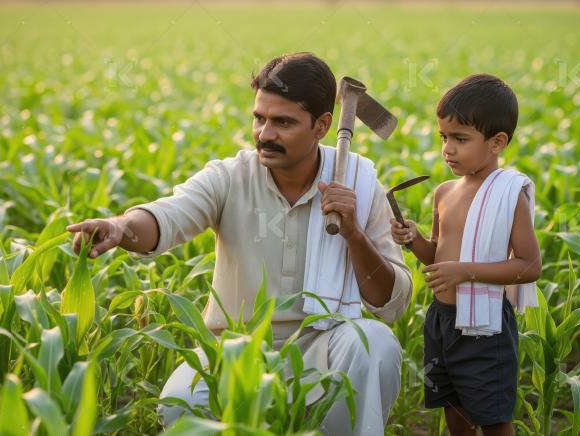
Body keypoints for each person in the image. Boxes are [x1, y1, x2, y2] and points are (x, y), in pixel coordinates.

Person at [67, 52, 412, 435]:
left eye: (283, 122)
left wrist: (353, 234)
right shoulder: (230, 177)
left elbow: (391, 304)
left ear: (322, 125)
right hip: (234, 348)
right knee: (181, 404)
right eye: (259, 118)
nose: (265, 134)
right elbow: (168, 216)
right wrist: (120, 227)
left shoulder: (358, 184)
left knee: (375, 343)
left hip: (324, 344)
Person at [390, 74, 542, 436]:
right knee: (454, 411)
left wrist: (466, 272)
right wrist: (414, 239)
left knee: (493, 417)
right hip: (441, 320)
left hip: (484, 326)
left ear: (497, 142)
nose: (448, 149)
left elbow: (529, 266)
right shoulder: (444, 193)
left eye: (460, 139)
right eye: (443, 137)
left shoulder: (508, 195)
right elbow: (437, 257)